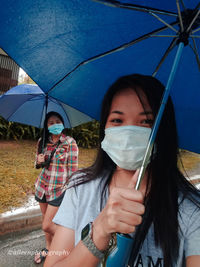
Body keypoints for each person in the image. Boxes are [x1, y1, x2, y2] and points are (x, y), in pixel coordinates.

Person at [44, 74, 200, 267]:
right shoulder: (80, 188)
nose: (129, 133)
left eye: (146, 121)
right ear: (105, 127)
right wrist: (98, 232)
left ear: (163, 130)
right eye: (117, 120)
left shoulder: (192, 211)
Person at [34, 111, 78, 264]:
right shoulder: (42, 141)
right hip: (42, 187)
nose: (54, 125)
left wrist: (70, 189)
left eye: (57, 121)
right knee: (45, 219)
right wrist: (39, 161)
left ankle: (69, 244)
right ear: (47, 126)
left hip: (58, 189)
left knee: (47, 225)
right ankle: (48, 247)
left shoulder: (69, 142)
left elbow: (73, 170)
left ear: (63, 123)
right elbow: (38, 165)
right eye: (51, 123)